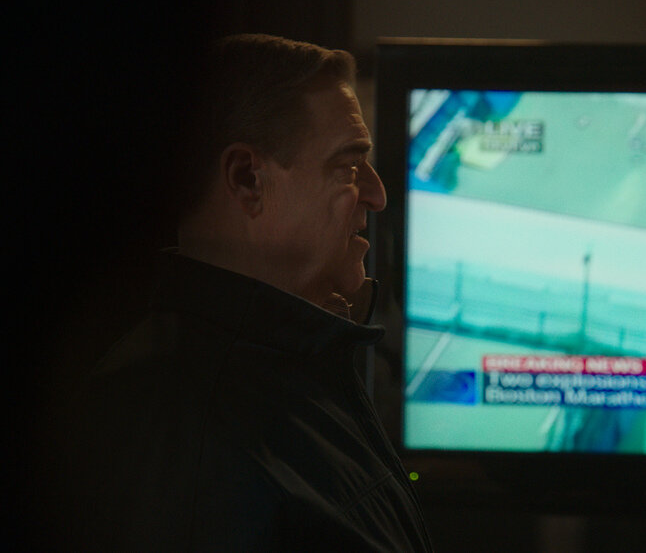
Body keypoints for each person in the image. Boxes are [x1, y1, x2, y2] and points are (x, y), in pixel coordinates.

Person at [46, 34, 434, 551]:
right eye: (348, 165)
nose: (378, 194)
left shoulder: (291, 361)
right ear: (247, 179)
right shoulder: (178, 433)